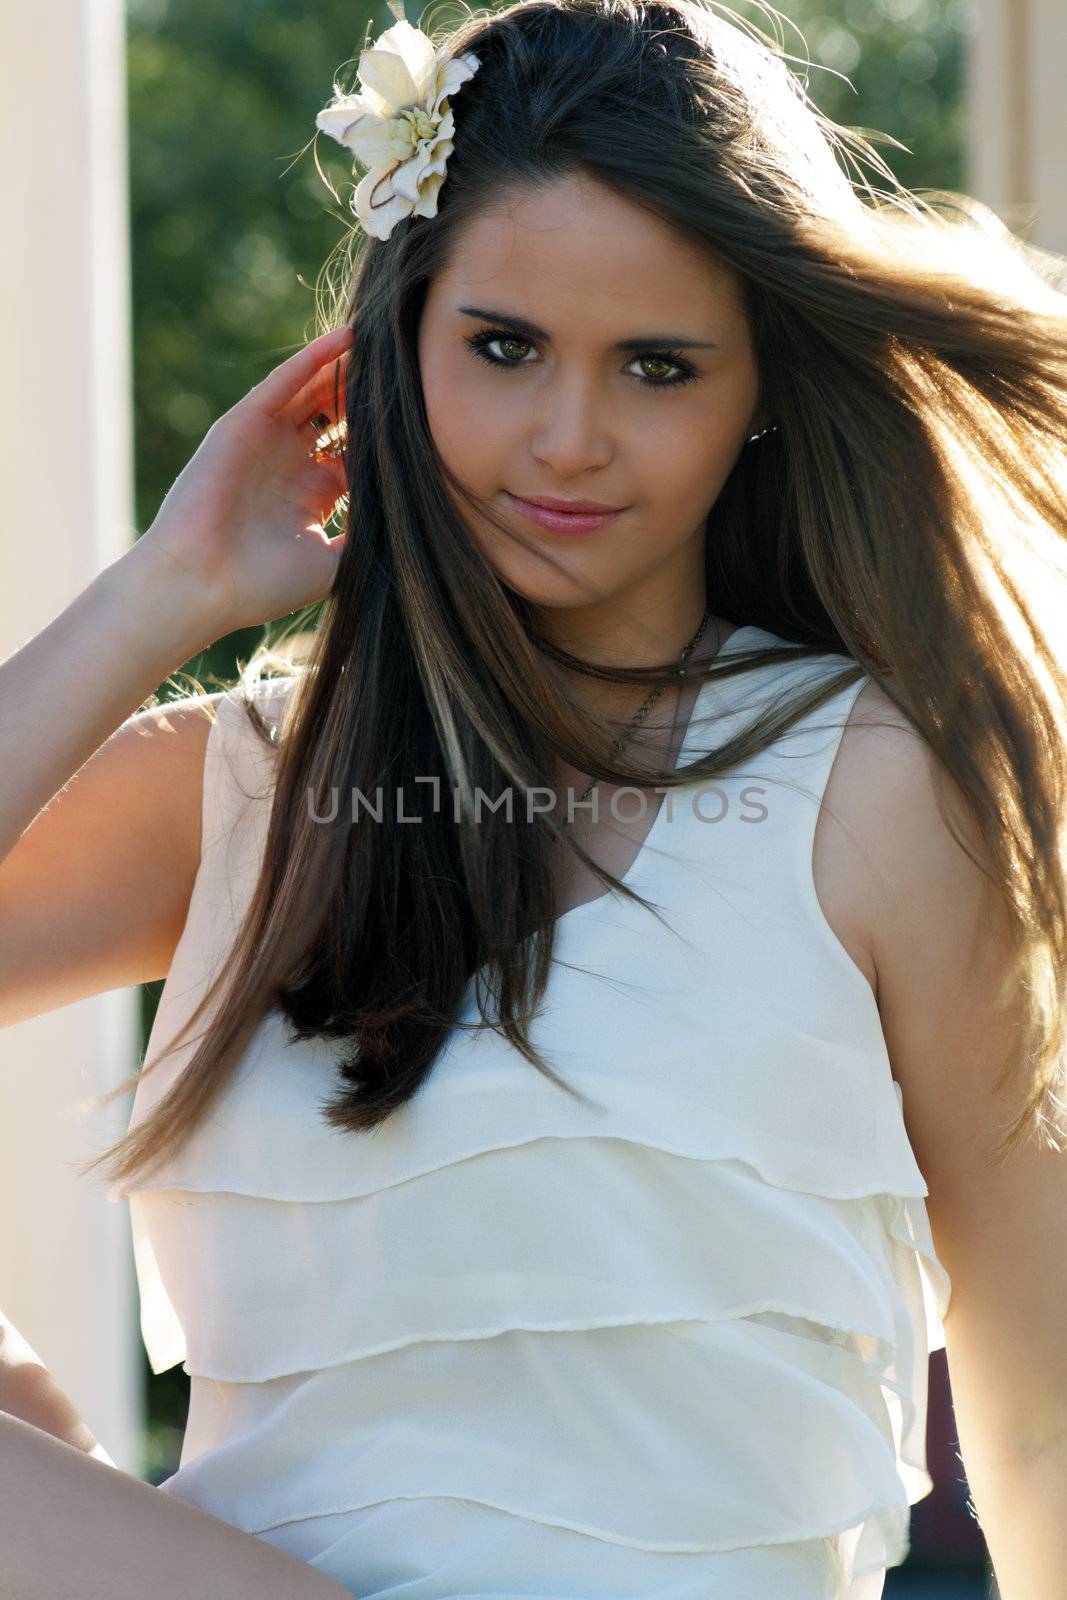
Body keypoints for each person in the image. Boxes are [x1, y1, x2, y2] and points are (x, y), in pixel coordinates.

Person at [2, 0, 1066, 1595]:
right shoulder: (240, 791)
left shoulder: (882, 786)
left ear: (757, 387)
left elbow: (1042, 1414)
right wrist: (164, 589)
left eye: (657, 366)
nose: (571, 441)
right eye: (503, 348)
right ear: (393, 343)